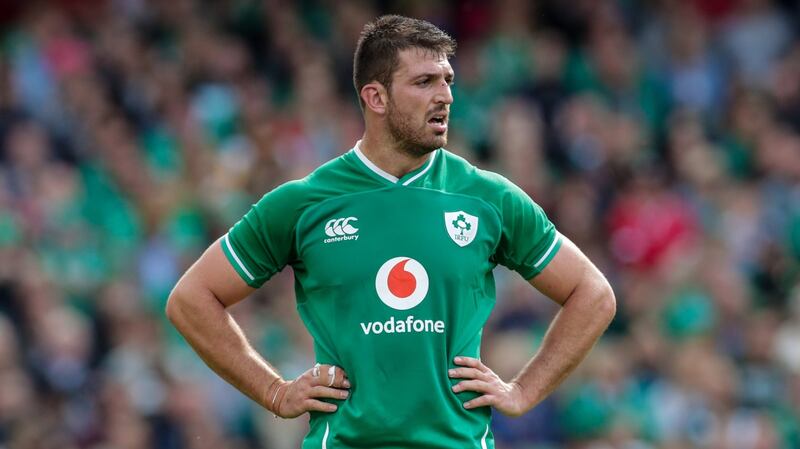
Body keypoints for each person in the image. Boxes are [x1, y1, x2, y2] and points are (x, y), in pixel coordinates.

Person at [166, 14, 616, 449]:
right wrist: (275, 392)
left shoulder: (486, 198)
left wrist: (523, 391)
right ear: (375, 98)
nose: (445, 97)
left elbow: (592, 293)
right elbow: (191, 300)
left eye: (448, 81)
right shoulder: (305, 202)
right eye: (424, 82)